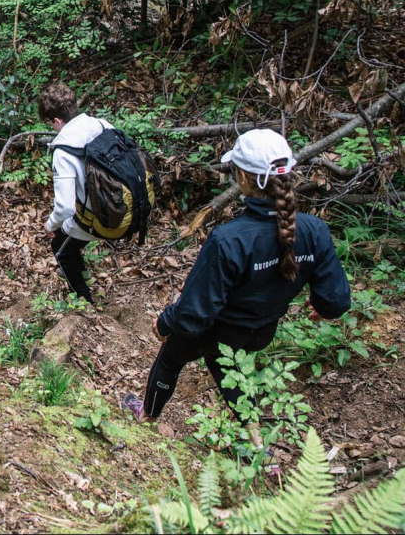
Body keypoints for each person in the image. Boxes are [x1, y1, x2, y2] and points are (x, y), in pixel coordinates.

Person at [122, 129, 351, 425]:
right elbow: (336, 300)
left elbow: (194, 314)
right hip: (259, 332)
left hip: (216, 332)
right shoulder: (314, 230)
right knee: (233, 374)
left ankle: (148, 414)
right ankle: (260, 452)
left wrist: (164, 323)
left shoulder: (230, 240)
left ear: (242, 177)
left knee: (171, 358)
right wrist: (322, 306)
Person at [39, 82, 113, 303]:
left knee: (59, 247)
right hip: (121, 206)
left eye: (50, 124)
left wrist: (49, 225)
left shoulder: (63, 151)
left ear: (57, 121)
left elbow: (65, 208)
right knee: (69, 240)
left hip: (99, 216)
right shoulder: (101, 124)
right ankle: (83, 272)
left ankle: (83, 300)